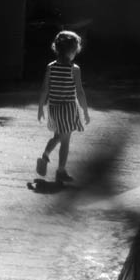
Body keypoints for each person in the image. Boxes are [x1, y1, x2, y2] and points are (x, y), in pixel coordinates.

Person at [36, 30, 90, 182]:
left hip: (54, 107)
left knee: (58, 136)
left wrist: (41, 107)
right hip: (68, 108)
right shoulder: (75, 69)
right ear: (73, 51)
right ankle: (60, 170)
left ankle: (46, 155)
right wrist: (85, 110)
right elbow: (79, 92)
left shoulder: (50, 67)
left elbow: (44, 88)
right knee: (65, 140)